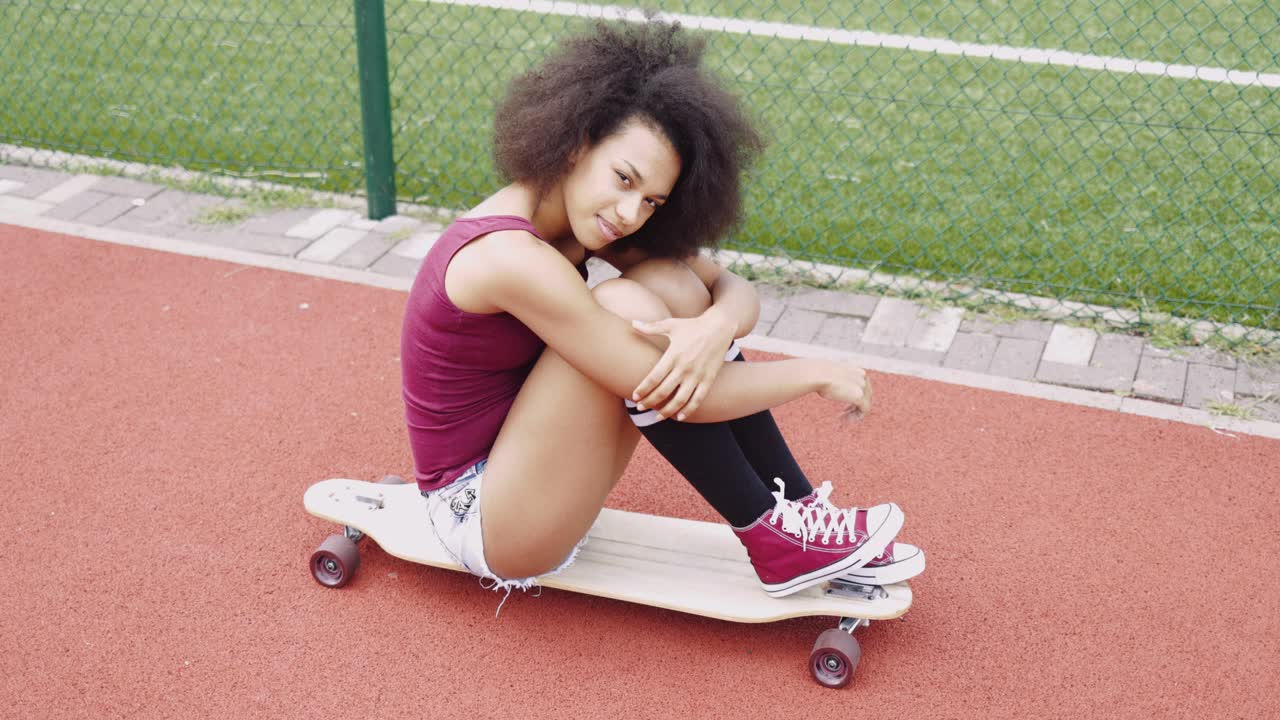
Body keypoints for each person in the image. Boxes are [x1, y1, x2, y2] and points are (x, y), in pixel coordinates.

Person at [401, 18, 925, 606]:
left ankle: (795, 513)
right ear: (576, 143)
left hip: (529, 471)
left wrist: (714, 327)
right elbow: (665, 388)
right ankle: (771, 536)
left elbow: (727, 286)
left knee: (669, 285)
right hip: (487, 518)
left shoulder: (584, 225)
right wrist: (814, 372)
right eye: (623, 179)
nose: (629, 213)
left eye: (651, 200)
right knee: (626, 307)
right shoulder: (510, 258)